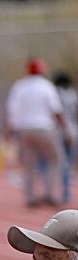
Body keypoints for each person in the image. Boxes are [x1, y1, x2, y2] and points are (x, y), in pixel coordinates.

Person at [7, 59, 68, 209]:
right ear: (42, 71)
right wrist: (66, 129)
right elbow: (56, 110)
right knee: (55, 159)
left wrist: (10, 129)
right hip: (44, 128)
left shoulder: (19, 86)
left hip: (25, 130)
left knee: (29, 164)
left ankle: (30, 197)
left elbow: (12, 110)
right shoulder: (46, 86)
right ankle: (50, 194)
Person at [53, 72, 78, 206]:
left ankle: (63, 194)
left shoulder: (55, 93)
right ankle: (66, 194)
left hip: (59, 131)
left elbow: (55, 113)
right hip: (73, 130)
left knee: (59, 163)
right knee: (69, 163)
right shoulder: (73, 94)